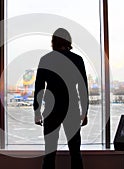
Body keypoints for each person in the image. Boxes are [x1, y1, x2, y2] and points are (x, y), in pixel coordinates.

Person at [33, 28, 89, 169]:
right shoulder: (77, 60)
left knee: (50, 152)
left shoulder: (46, 59)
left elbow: (39, 87)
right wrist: (85, 111)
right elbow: (83, 88)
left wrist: (37, 111)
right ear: (68, 41)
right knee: (75, 151)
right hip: (72, 108)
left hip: (52, 108)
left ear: (53, 42)